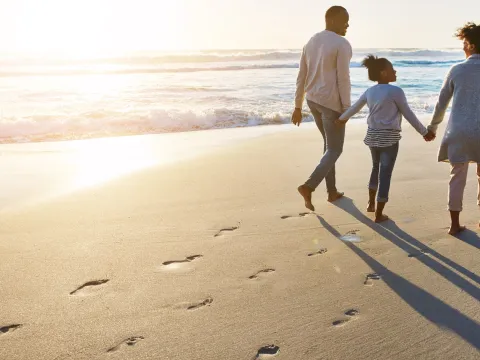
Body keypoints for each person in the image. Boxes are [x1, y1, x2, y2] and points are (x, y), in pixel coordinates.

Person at [336, 55, 434, 222]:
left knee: (375, 168)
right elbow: (408, 113)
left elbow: (354, 108)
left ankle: (370, 203)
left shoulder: (369, 91)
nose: (395, 71)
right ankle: (379, 214)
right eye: (391, 69)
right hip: (389, 138)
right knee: (385, 174)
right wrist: (424, 132)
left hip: (373, 135)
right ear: (383, 73)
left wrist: (341, 119)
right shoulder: (395, 91)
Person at [292, 5, 351, 211]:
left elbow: (301, 76)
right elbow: (343, 79)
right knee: (335, 149)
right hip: (331, 104)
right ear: (333, 20)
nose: (347, 25)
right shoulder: (342, 44)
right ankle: (309, 186)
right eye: (345, 21)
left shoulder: (311, 41)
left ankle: (332, 192)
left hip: (313, 101)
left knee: (329, 146)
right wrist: (346, 110)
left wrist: (298, 106)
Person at [426, 22, 480, 235]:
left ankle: (455, 224)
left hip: (459, 130)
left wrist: (432, 127)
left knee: (457, 175)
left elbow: (441, 103)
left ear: (473, 46)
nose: (463, 47)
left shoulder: (456, 70)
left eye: (465, 43)